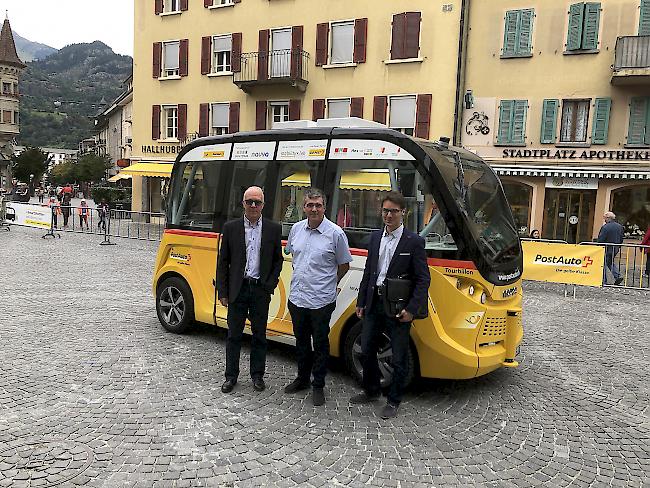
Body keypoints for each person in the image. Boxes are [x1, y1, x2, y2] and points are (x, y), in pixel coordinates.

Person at [350, 191, 430, 419]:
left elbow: (423, 279)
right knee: (366, 350)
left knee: (399, 357)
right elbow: (369, 272)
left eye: (394, 211)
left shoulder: (414, 242)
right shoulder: (375, 238)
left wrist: (412, 309)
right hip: (374, 301)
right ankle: (372, 390)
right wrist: (361, 302)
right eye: (385, 210)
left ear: (403, 212)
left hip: (398, 307)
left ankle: (394, 400)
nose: (389, 215)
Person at [284, 188, 352, 406]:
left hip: (321, 300)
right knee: (301, 342)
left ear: (324, 207)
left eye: (318, 205)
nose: (314, 209)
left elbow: (344, 265)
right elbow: (291, 254)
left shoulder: (336, 234)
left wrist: (330, 285)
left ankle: (318, 385)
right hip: (297, 298)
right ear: (304, 207)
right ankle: (302, 379)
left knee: (320, 344)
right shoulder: (296, 229)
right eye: (310, 205)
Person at [216, 186, 283, 394]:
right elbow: (223, 262)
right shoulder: (231, 228)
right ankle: (231, 376)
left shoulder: (273, 229)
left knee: (259, 336)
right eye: (249, 201)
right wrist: (223, 292)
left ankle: (257, 375)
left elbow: (277, 261)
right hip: (238, 289)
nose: (253, 205)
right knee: (233, 335)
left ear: (263, 205)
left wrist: (269, 285)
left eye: (257, 202)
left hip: (259, 290)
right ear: (242, 203)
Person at [597, 211, 625, 286]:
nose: (604, 220)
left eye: (605, 218)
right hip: (615, 248)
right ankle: (618, 276)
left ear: (608, 218)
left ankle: (603, 280)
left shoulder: (605, 227)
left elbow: (601, 238)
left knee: (603, 263)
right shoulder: (619, 226)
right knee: (609, 262)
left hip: (606, 247)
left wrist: (598, 245)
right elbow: (621, 238)